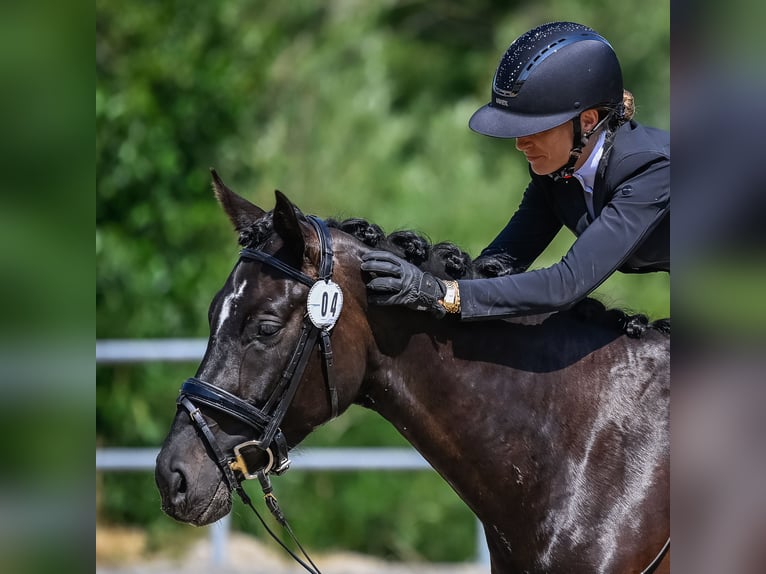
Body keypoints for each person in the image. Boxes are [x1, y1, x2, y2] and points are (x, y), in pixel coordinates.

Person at [361, 21, 669, 320]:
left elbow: (566, 284)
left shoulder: (651, 170)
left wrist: (441, 293)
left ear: (587, 122)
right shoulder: (558, 171)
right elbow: (499, 265)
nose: (520, 144)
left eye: (536, 129)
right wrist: (420, 282)